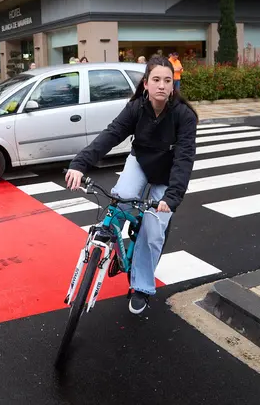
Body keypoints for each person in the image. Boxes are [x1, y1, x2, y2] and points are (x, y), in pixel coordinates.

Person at [65, 55, 198, 315]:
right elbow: (111, 135)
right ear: (146, 83)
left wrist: (171, 199)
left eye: (167, 80)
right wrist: (79, 164)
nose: (162, 85)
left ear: (173, 86)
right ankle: (114, 246)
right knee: (121, 197)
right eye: (156, 79)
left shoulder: (184, 116)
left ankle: (141, 287)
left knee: (152, 230)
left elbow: (184, 160)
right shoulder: (136, 107)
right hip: (141, 161)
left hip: (168, 174)